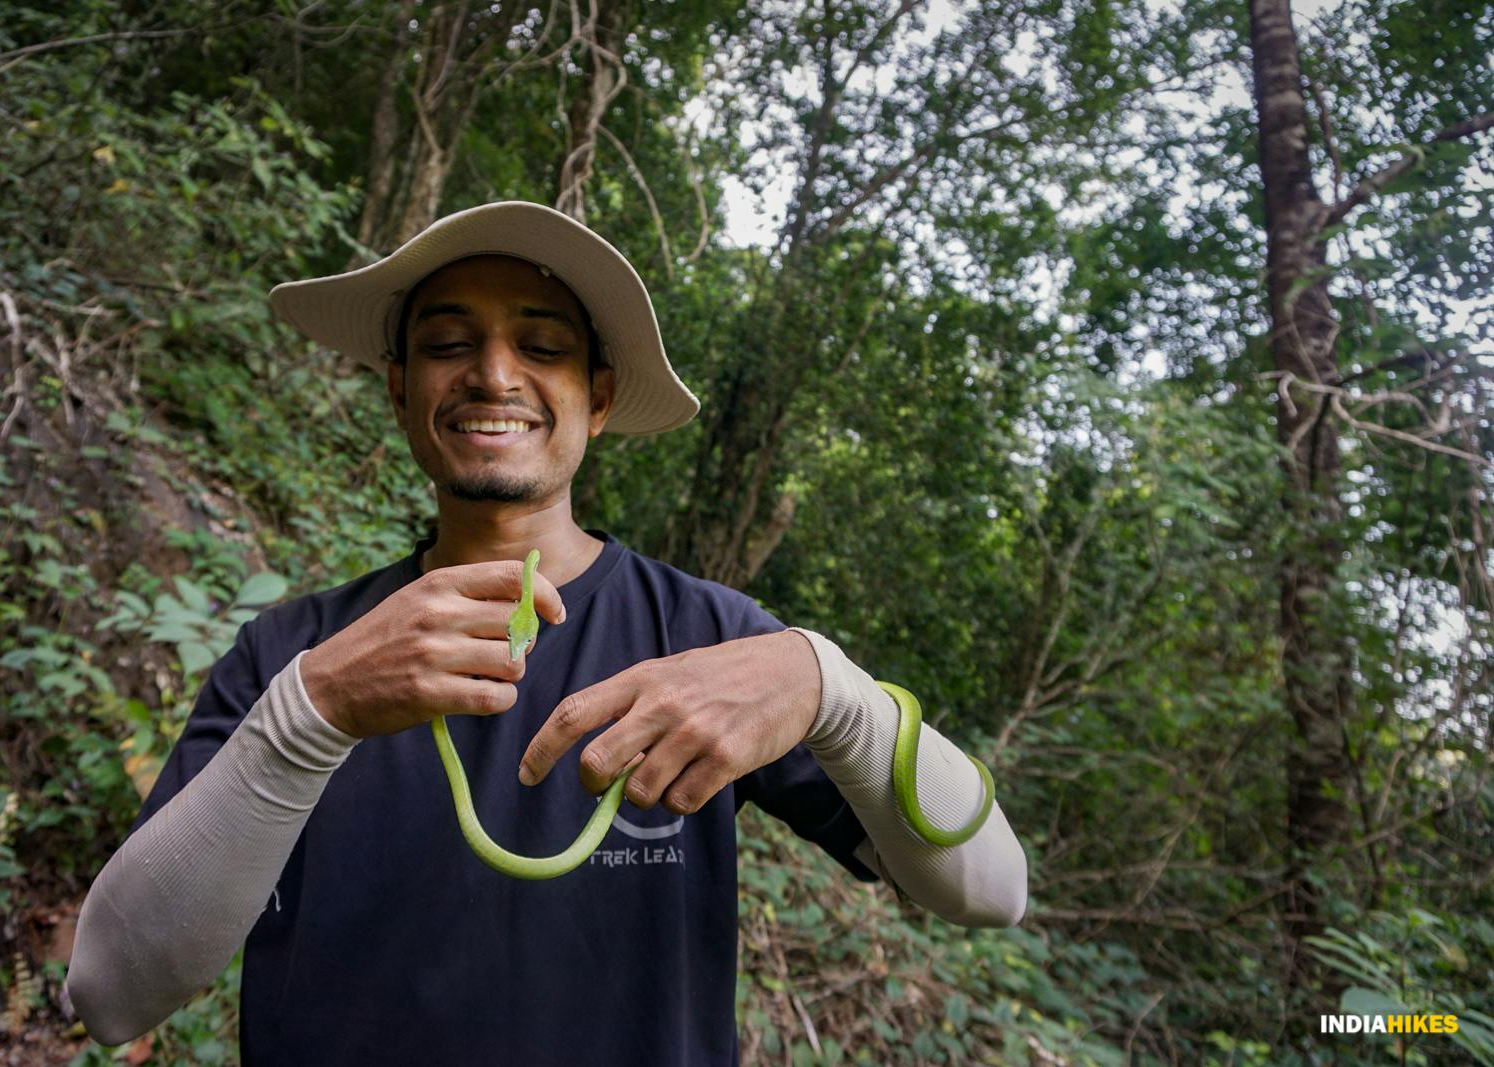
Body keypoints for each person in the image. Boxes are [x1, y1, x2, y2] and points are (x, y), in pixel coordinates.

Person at [66, 201, 1028, 1064]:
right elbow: (111, 993)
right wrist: (309, 718)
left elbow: (989, 888)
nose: (493, 373)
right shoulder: (293, 659)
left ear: (598, 398)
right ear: (398, 388)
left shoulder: (708, 638)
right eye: (448, 343)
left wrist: (828, 684)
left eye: (542, 345)